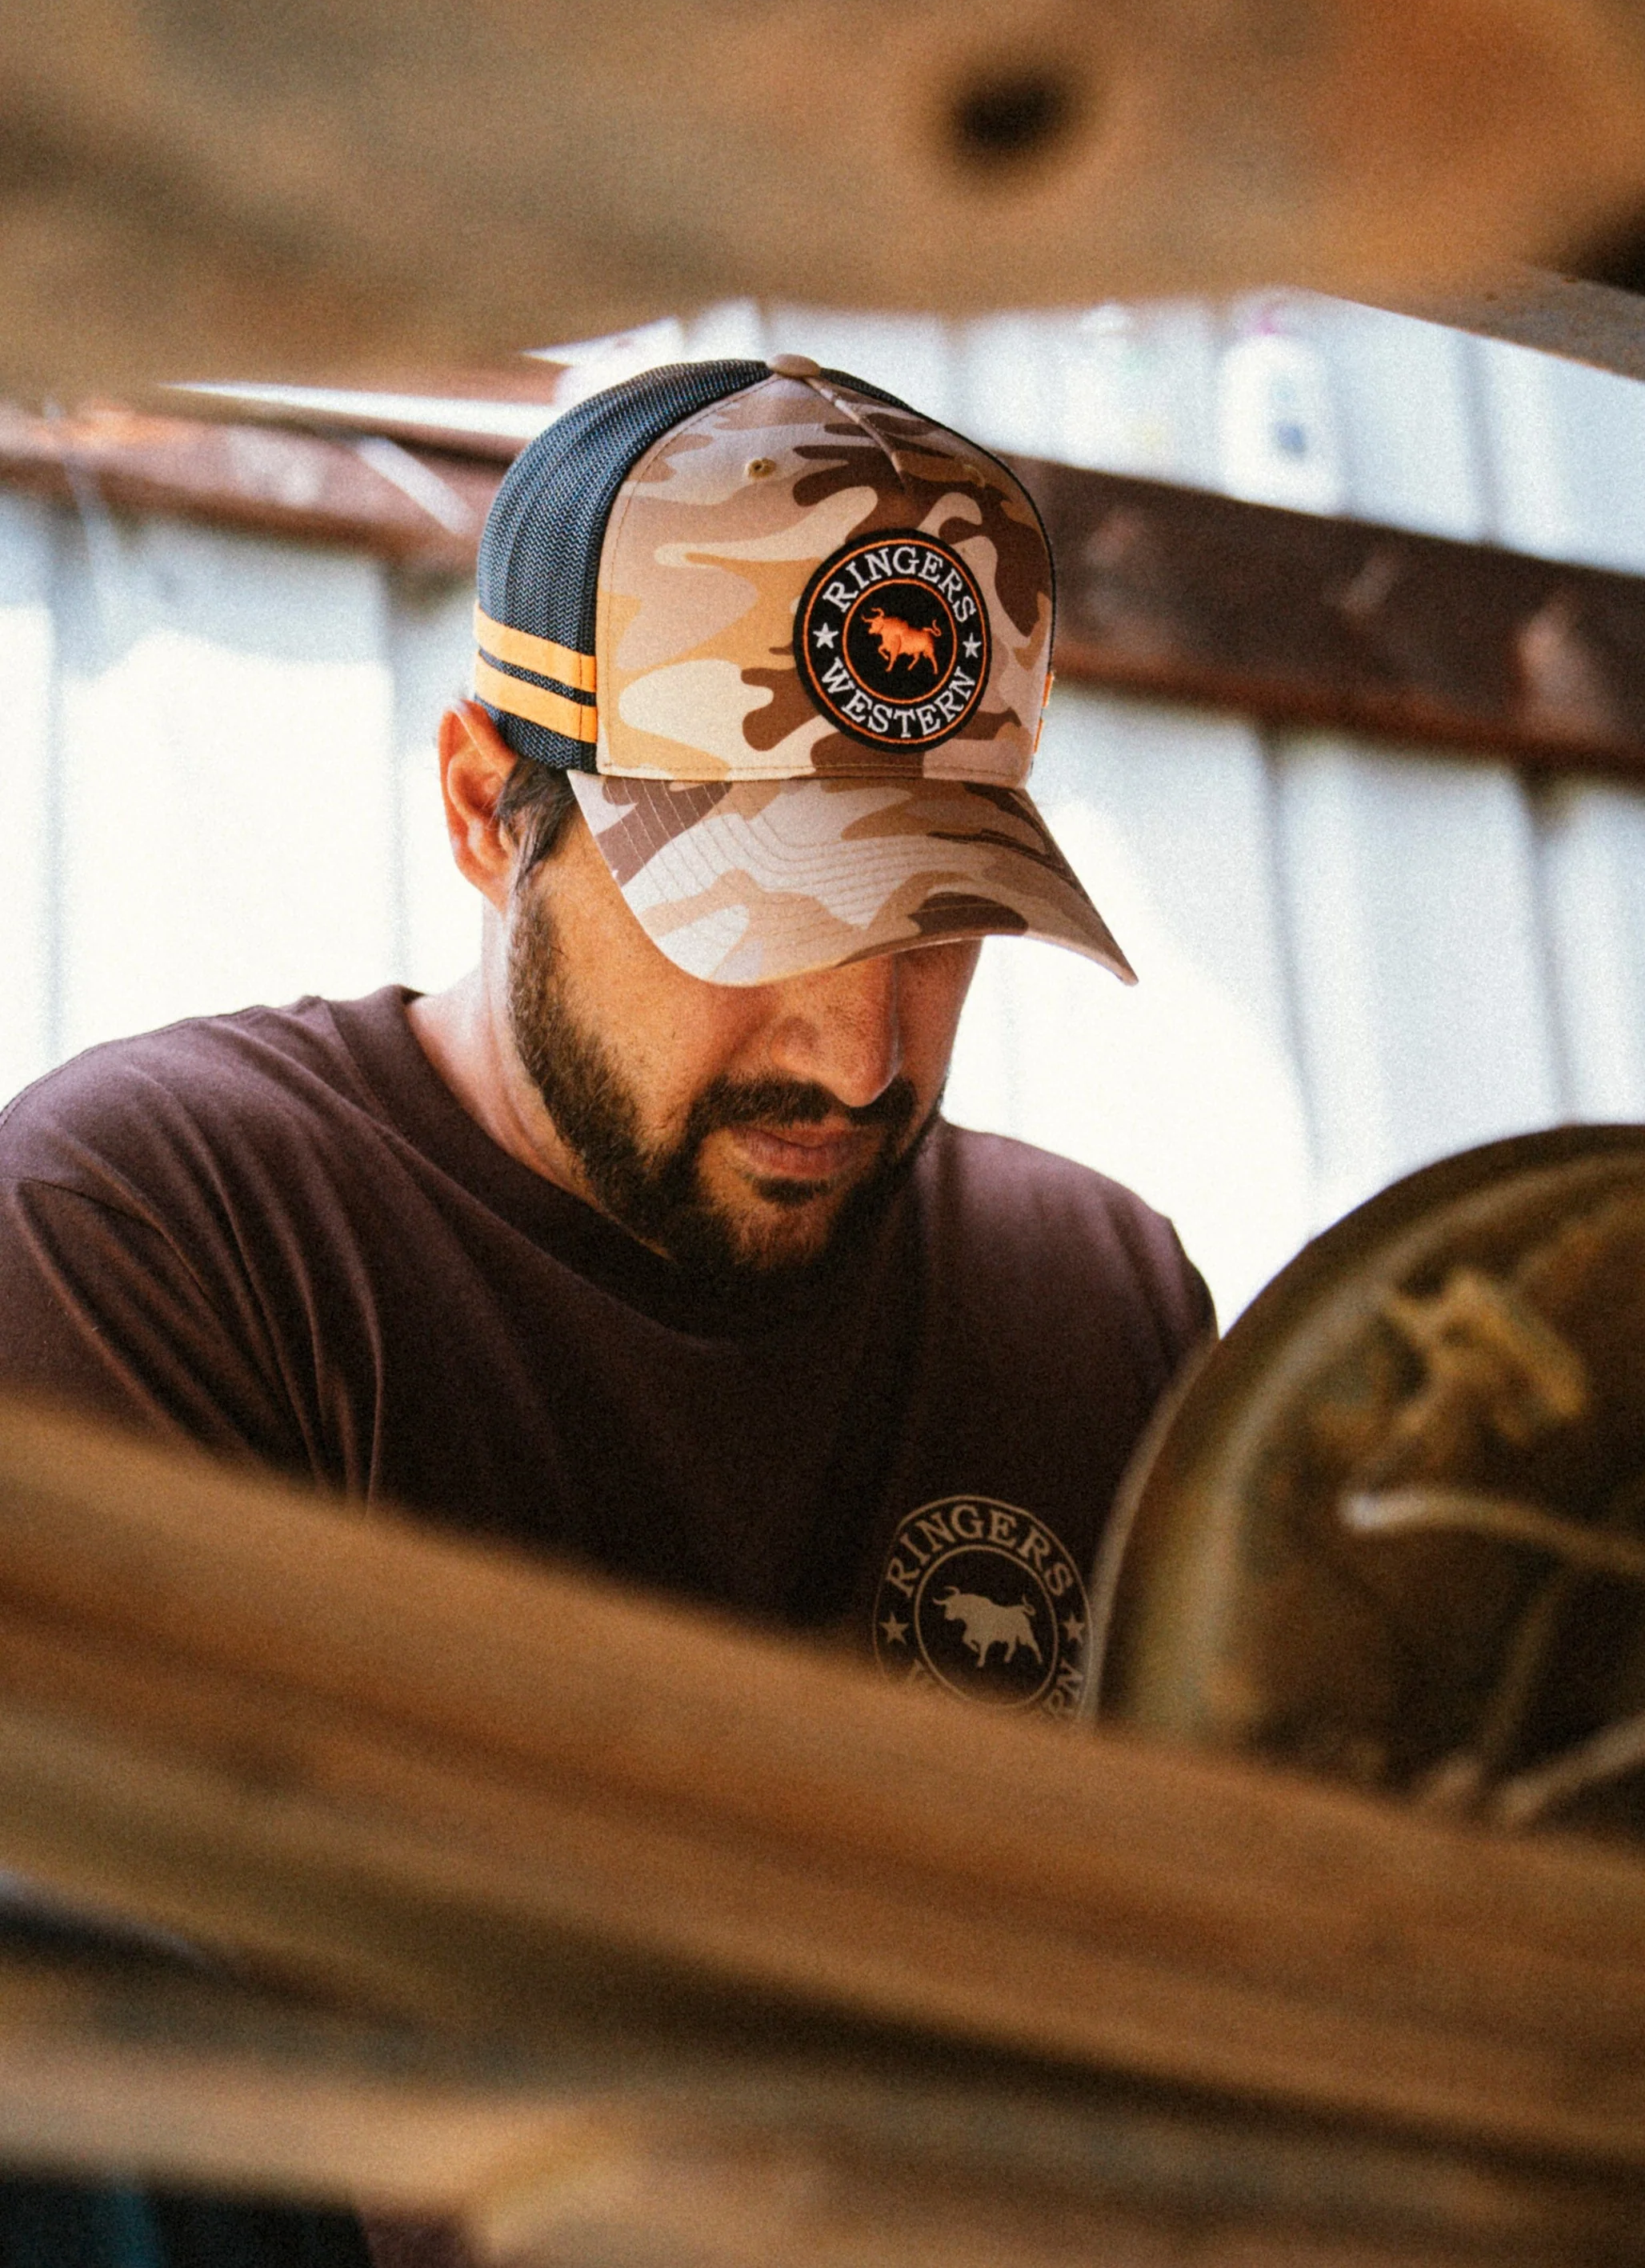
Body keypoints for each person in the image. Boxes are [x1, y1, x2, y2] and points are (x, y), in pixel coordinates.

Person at [0, 354, 1214, 2266]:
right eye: (757, 913)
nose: (862, 1047)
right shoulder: (163, 1235)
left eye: (933, 917)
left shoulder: (1102, 1302)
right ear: (493, 808)